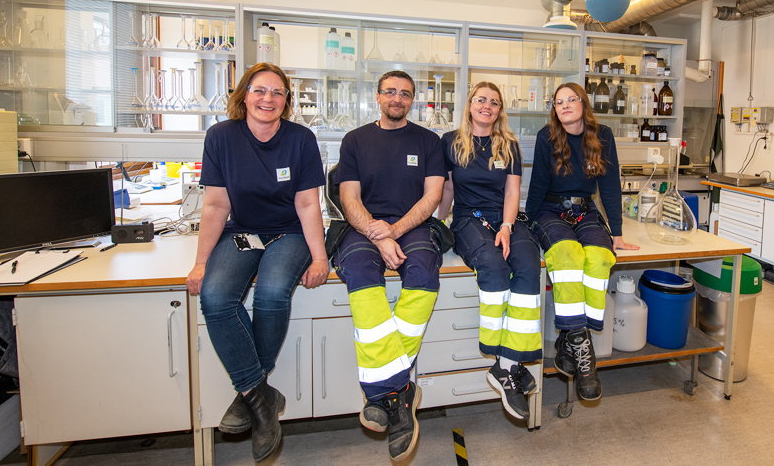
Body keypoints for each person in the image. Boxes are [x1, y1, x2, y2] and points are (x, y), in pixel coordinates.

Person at [186, 63, 329, 464]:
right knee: (215, 297)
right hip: (243, 231)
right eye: (260, 90)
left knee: (270, 293)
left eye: (277, 93)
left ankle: (249, 392)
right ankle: (259, 394)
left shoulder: (301, 139)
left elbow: (307, 203)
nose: (268, 98)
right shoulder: (221, 137)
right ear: (244, 95)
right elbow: (215, 204)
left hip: (290, 232)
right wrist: (200, 263)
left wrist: (319, 256)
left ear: (286, 101)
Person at [333, 70, 446, 462]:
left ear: (412, 100)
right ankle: (400, 392)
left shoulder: (429, 142)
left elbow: (432, 197)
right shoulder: (355, 141)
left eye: (406, 94)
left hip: (412, 226)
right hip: (364, 228)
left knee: (423, 273)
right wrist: (378, 235)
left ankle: (382, 393)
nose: (398, 98)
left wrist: (394, 230)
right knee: (361, 276)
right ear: (378, 97)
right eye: (391, 92)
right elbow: (349, 198)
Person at [525, 81, 640, 402]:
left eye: (570, 100)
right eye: (558, 102)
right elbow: (537, 185)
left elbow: (611, 187)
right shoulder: (547, 138)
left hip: (586, 210)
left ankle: (570, 340)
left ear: (582, 103)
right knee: (567, 255)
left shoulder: (602, 136)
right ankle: (583, 348)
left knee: (601, 257)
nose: (564, 106)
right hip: (550, 209)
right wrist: (530, 223)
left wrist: (616, 234)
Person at [436, 81, 541, 422]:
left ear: (499, 110)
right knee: (494, 269)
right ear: (469, 105)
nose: (487, 106)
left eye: (494, 102)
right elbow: (447, 188)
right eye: (480, 100)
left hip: (505, 218)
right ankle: (505, 357)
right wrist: (436, 223)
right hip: (469, 220)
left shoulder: (508, 145)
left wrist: (509, 226)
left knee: (527, 265)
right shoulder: (450, 141)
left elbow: (513, 192)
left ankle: (506, 364)